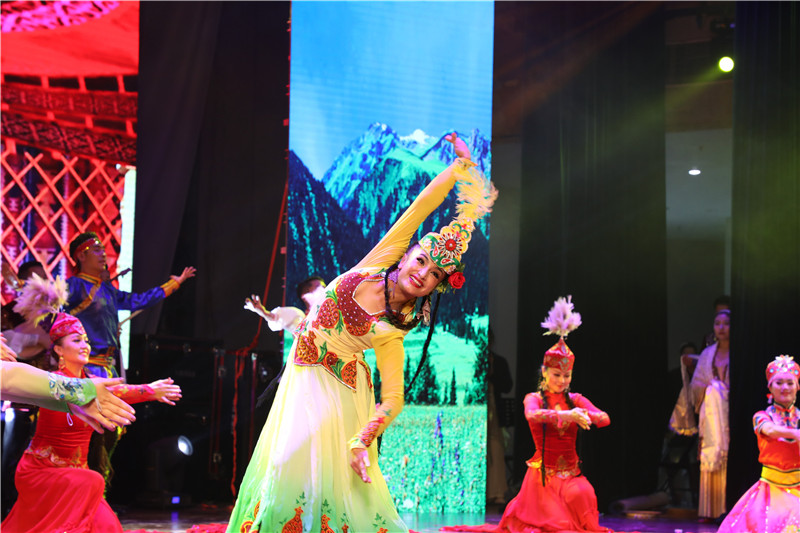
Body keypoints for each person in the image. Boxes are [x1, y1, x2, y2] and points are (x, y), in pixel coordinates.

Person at [222, 132, 496, 533]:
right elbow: (422, 205)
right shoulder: (379, 260)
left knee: (302, 469)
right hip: (300, 370)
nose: (422, 273)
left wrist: (362, 439)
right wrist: (460, 167)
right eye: (421, 261)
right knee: (284, 469)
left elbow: (394, 398)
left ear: (437, 287)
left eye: (435, 274)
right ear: (407, 255)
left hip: (337, 387)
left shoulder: (392, 331)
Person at [442, 296, 611, 533]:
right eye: (557, 375)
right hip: (543, 478)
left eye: (567, 376)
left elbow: (604, 419)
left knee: (586, 495)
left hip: (571, 476)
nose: (562, 381)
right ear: (545, 372)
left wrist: (587, 414)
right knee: (558, 526)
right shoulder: (534, 398)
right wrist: (569, 416)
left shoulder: (575, 399)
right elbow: (532, 415)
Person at [1, 313, 181, 533]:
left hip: (78, 476)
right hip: (44, 472)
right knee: (93, 480)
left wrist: (150, 390)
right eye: (77, 340)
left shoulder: (93, 385)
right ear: (59, 350)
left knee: (107, 525)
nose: (85, 346)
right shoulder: (50, 383)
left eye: (86, 341)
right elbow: (43, 388)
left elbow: (117, 391)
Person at [65, 231, 196, 379]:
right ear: (81, 256)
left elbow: (139, 300)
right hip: (84, 370)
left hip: (108, 370)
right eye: (96, 250)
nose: (103, 254)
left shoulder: (107, 289)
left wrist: (174, 284)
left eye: (103, 250)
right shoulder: (74, 286)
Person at [717, 354, 799, 533]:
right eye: (779, 383)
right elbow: (769, 430)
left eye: (790, 383)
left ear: (797, 387)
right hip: (771, 489)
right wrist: (795, 433)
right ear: (770, 387)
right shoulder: (762, 416)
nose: (785, 387)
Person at [689, 308, 730, 521]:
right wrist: (713, 390)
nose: (721, 328)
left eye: (726, 323)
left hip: (729, 414)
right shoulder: (707, 354)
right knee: (710, 455)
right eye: (717, 323)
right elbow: (696, 384)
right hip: (712, 414)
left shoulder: (739, 352)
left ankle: (727, 509)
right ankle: (709, 510)